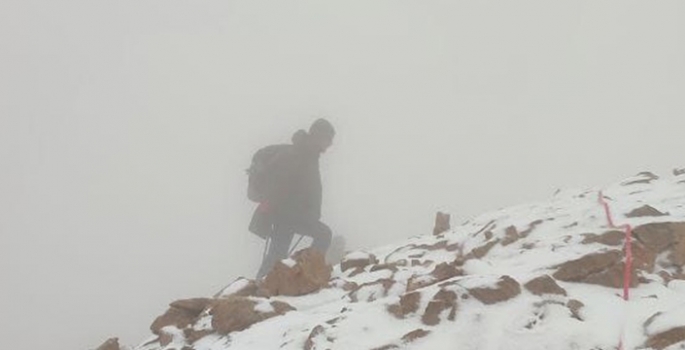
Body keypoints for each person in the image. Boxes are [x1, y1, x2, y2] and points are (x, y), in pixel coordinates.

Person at [252, 118, 335, 279]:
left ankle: (260, 283)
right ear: (318, 136)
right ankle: (308, 273)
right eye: (329, 139)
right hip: (288, 214)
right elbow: (280, 183)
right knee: (323, 234)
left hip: (290, 214)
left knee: (276, 254)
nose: (330, 144)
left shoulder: (307, 154)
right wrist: (269, 208)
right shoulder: (298, 154)